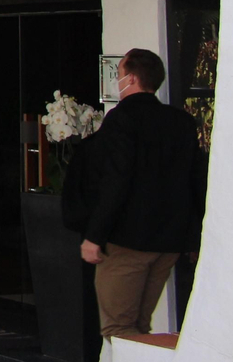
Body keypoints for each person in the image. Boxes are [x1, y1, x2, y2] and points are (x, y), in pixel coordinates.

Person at [79, 48, 207, 339]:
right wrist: (194, 235)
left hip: (129, 239)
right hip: (169, 240)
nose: (118, 80)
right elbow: (196, 179)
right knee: (140, 325)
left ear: (132, 78)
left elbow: (116, 180)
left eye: (120, 74)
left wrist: (95, 234)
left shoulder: (122, 119)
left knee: (119, 328)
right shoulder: (182, 122)